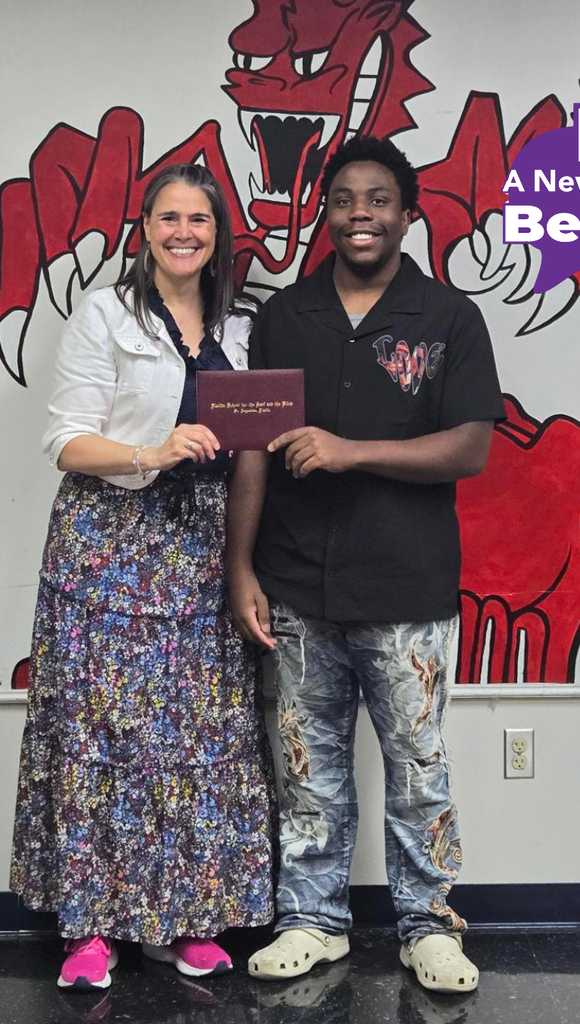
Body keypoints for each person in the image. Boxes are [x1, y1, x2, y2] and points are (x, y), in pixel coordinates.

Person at [228, 136, 504, 994]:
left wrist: (350, 452)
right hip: (295, 581)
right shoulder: (284, 316)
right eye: (344, 199)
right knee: (305, 768)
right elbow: (251, 453)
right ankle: (313, 920)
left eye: (378, 199)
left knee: (418, 769)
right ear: (326, 212)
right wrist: (239, 569)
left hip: (405, 585)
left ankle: (429, 925)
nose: (359, 214)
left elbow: (468, 448)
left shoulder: (448, 317)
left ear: (407, 213)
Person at [10, 164, 278, 991]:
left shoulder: (243, 323)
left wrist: (239, 567)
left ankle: (185, 921)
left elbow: (253, 453)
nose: (183, 232)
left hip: (199, 549)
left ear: (216, 232)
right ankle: (90, 929)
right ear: (147, 229)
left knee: (196, 737)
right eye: (169, 217)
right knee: (99, 738)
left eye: (199, 218)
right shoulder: (105, 312)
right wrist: (151, 452)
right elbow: (65, 440)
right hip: (107, 544)